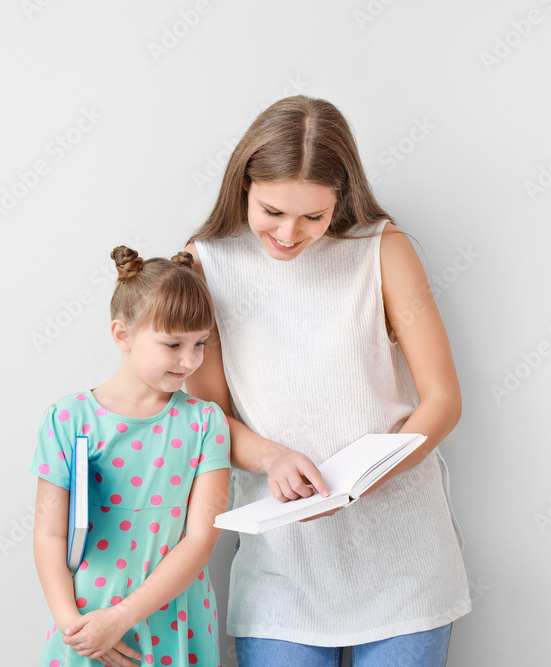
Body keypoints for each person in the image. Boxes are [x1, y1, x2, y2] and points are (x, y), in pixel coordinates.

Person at [183, 95, 471, 666]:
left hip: (404, 566)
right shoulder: (206, 264)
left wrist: (365, 476)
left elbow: (442, 400)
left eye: (313, 217)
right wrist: (271, 458)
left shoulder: (383, 250)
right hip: (282, 572)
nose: (289, 233)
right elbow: (206, 417)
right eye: (272, 211)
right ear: (243, 185)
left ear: (341, 199)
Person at [29, 246, 231, 667]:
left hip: (177, 621)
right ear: (122, 335)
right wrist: (76, 629)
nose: (190, 360)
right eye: (173, 344)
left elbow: (200, 541)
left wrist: (121, 618)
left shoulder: (206, 423)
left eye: (201, 344)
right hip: (87, 623)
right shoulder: (69, 419)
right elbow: (49, 533)